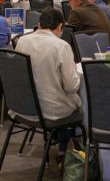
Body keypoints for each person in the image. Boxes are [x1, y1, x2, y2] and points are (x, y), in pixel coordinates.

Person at [16, 8, 81, 152]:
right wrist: (76, 75)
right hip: (51, 109)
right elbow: (71, 87)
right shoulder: (61, 46)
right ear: (59, 27)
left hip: (25, 106)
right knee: (80, 105)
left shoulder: (22, 40)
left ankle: (60, 141)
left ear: (39, 24)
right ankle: (66, 150)